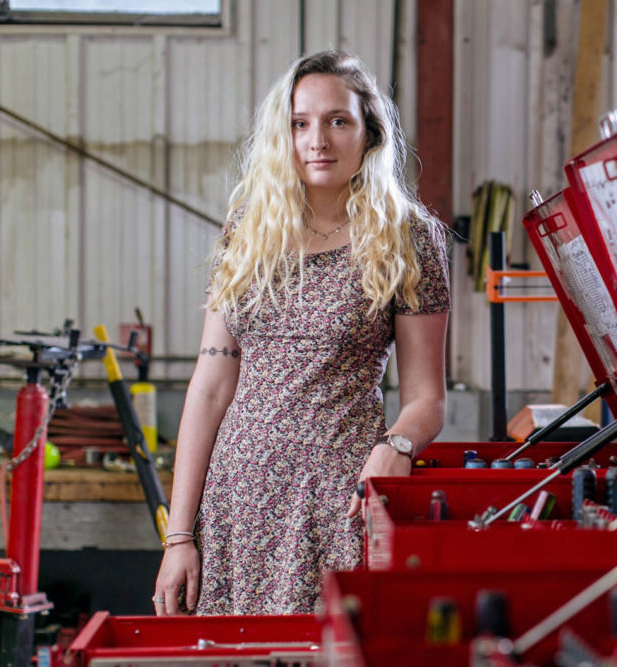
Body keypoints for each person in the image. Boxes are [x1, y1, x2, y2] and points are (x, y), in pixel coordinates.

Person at [153, 49, 450, 616]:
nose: (318, 140)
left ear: (370, 134)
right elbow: (210, 386)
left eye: (338, 121)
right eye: (300, 123)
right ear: (281, 135)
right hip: (236, 503)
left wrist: (399, 445)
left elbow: (427, 399)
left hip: (336, 501)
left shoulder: (407, 238)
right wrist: (179, 535)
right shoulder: (247, 231)